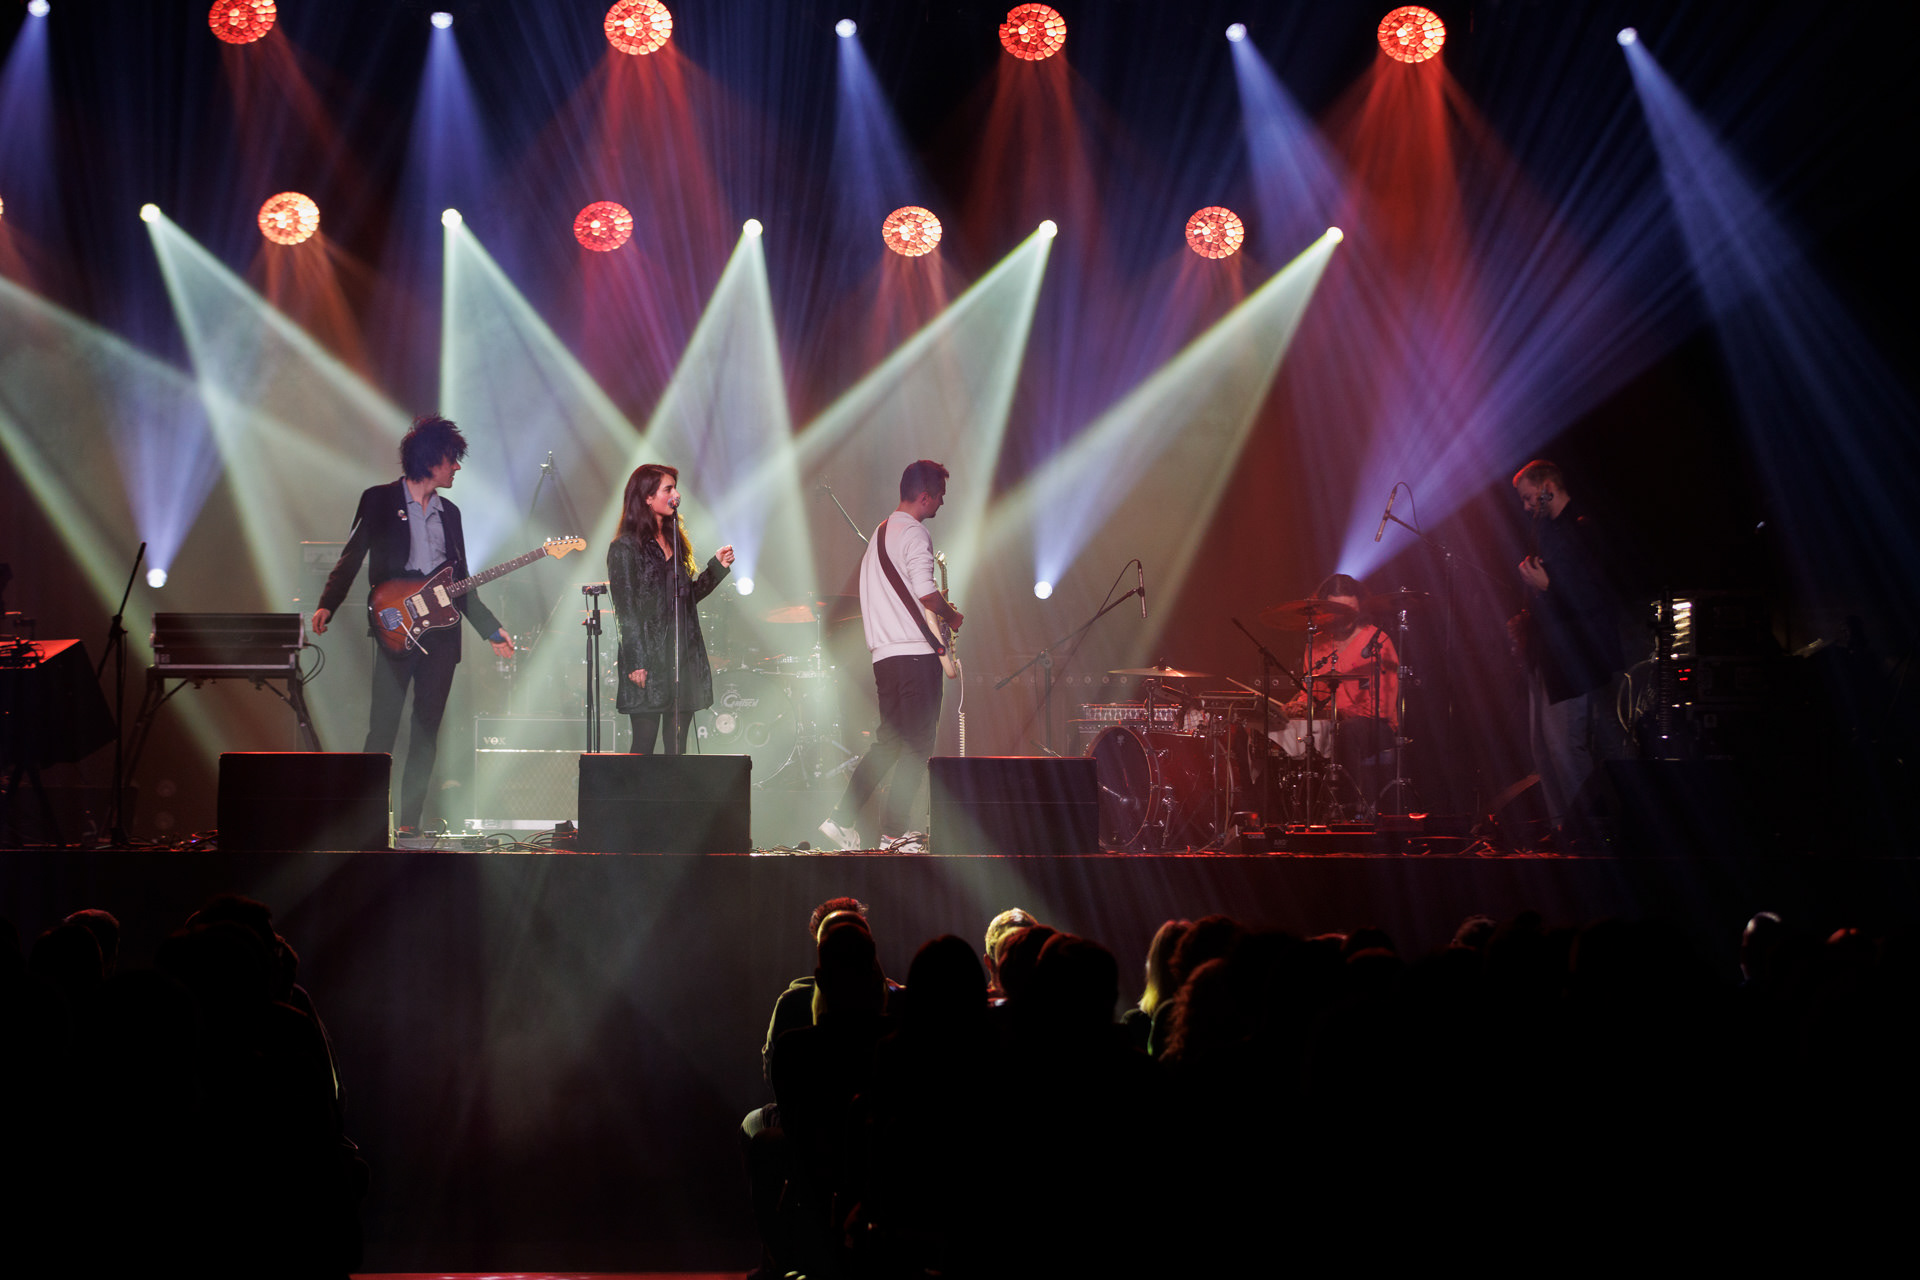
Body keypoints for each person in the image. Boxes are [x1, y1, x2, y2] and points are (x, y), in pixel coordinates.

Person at [312, 414, 513, 840]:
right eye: (452, 459)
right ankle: (363, 822)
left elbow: (461, 582)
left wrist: (490, 629)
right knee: (383, 726)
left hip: (441, 635)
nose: (457, 467)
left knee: (426, 730)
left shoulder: (450, 513)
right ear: (431, 458)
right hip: (395, 627)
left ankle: (409, 824)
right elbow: (352, 555)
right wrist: (328, 603)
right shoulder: (379, 500)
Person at [817, 461, 963, 851]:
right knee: (918, 746)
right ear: (925, 496)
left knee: (888, 744)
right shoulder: (915, 534)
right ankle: (894, 833)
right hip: (915, 656)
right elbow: (926, 592)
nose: (942, 503)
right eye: (940, 496)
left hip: (885, 658)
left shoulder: (880, 534)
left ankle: (841, 820)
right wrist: (952, 616)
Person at [1509, 459, 1623, 836]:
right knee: (1543, 749)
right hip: (1547, 655)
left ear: (1548, 488)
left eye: (1529, 497)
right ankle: (1564, 830)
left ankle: (1586, 832)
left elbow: (1594, 594)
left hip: (1574, 658)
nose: (1526, 506)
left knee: (1565, 746)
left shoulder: (1582, 527)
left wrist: (1548, 586)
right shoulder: (1548, 531)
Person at [606, 464, 734, 755]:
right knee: (644, 744)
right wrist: (636, 661)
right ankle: (636, 788)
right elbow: (625, 609)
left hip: (681, 657)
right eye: (668, 488)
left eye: (676, 488)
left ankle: (674, 787)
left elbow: (685, 598)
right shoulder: (625, 548)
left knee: (677, 747)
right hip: (649, 660)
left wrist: (717, 568)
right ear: (647, 497)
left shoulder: (676, 542)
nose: (676, 494)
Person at [1280, 572, 1400, 817]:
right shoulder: (1317, 643)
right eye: (1338, 611)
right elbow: (1311, 692)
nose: (1345, 618)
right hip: (1328, 724)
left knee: (1348, 731)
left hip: (1372, 726)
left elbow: (1382, 708)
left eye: (1350, 611)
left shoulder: (1378, 641)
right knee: (1276, 728)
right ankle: (1286, 813)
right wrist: (1300, 705)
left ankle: (1352, 810)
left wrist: (1336, 712)